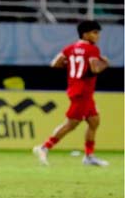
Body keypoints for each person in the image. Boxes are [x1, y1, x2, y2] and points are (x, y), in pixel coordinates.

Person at [33, 20, 110, 167]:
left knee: (94, 121)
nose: (97, 36)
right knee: (71, 124)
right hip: (83, 92)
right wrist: (105, 64)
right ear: (85, 34)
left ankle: (89, 156)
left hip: (76, 89)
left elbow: (55, 63)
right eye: (95, 32)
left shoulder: (70, 48)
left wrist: (70, 65)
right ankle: (44, 147)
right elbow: (94, 69)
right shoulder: (92, 50)